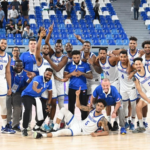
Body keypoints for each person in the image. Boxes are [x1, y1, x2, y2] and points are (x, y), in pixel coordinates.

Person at [33, 88, 109, 139]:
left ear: (103, 108)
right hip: (77, 123)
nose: (98, 107)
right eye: (98, 105)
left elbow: (106, 132)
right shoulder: (91, 109)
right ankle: (54, 128)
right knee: (63, 109)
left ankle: (42, 135)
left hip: (80, 131)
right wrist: (77, 96)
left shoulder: (102, 119)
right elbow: (78, 106)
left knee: (61, 132)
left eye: (101, 106)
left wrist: (96, 134)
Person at [44, 27, 68, 124]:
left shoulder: (64, 57)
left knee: (61, 105)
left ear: (62, 48)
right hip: (51, 82)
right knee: (51, 103)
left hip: (60, 83)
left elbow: (58, 68)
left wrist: (48, 59)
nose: (58, 47)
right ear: (55, 47)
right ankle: (50, 121)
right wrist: (50, 32)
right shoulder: (52, 54)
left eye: (59, 46)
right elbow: (46, 42)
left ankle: (62, 121)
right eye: (56, 46)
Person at [35, 27, 57, 131]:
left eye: (47, 48)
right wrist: (40, 37)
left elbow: (48, 42)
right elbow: (37, 49)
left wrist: (50, 32)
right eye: (44, 48)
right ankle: (41, 123)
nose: (46, 49)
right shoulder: (40, 60)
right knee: (44, 105)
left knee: (53, 104)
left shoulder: (51, 58)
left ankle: (51, 122)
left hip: (52, 85)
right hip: (43, 85)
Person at [21, 68, 53, 136]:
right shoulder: (38, 78)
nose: (48, 76)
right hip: (27, 95)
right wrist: (37, 90)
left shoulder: (50, 82)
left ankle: (37, 127)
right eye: (47, 74)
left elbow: (50, 94)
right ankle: (24, 128)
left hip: (36, 97)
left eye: (50, 75)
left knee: (47, 109)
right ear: (44, 73)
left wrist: (48, 104)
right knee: (28, 109)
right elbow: (34, 85)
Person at [7, 60, 35, 132]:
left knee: (17, 107)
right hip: (8, 91)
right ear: (14, 66)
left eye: (20, 66)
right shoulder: (11, 70)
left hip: (18, 92)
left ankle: (15, 125)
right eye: (17, 65)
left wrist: (31, 78)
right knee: (8, 108)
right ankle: (7, 124)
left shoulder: (25, 74)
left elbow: (28, 81)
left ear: (23, 67)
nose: (19, 67)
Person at [64, 50, 93, 120]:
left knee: (83, 106)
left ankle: (84, 123)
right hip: (72, 88)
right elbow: (65, 76)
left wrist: (82, 73)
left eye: (77, 57)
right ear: (72, 58)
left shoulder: (85, 65)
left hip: (82, 88)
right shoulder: (68, 65)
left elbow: (91, 76)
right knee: (71, 106)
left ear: (80, 56)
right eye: (74, 58)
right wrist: (71, 74)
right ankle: (71, 123)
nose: (76, 59)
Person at [96, 47, 120, 131]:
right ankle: (109, 122)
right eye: (101, 53)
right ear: (98, 54)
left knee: (116, 102)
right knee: (107, 103)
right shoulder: (98, 60)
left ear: (106, 54)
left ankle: (116, 122)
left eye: (104, 53)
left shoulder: (110, 59)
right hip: (106, 83)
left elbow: (121, 55)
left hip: (115, 82)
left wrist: (113, 53)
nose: (102, 55)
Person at [117, 50, 138, 130]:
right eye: (121, 57)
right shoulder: (118, 63)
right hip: (123, 88)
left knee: (133, 105)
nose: (123, 58)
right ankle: (126, 121)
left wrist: (134, 72)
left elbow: (139, 68)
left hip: (132, 87)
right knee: (125, 105)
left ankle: (132, 122)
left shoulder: (132, 64)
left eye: (124, 57)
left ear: (127, 57)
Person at [0, 39, 15, 134]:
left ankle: (4, 126)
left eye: (5, 43)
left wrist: (10, 87)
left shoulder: (8, 57)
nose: (3, 44)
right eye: (1, 43)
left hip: (2, 80)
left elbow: (8, 72)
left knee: (3, 105)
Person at [132, 57, 150, 133]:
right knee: (138, 107)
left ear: (142, 64)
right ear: (134, 66)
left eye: (139, 64)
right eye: (136, 64)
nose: (138, 65)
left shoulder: (148, 68)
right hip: (148, 92)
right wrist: (148, 100)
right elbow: (140, 91)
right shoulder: (136, 77)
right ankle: (141, 126)